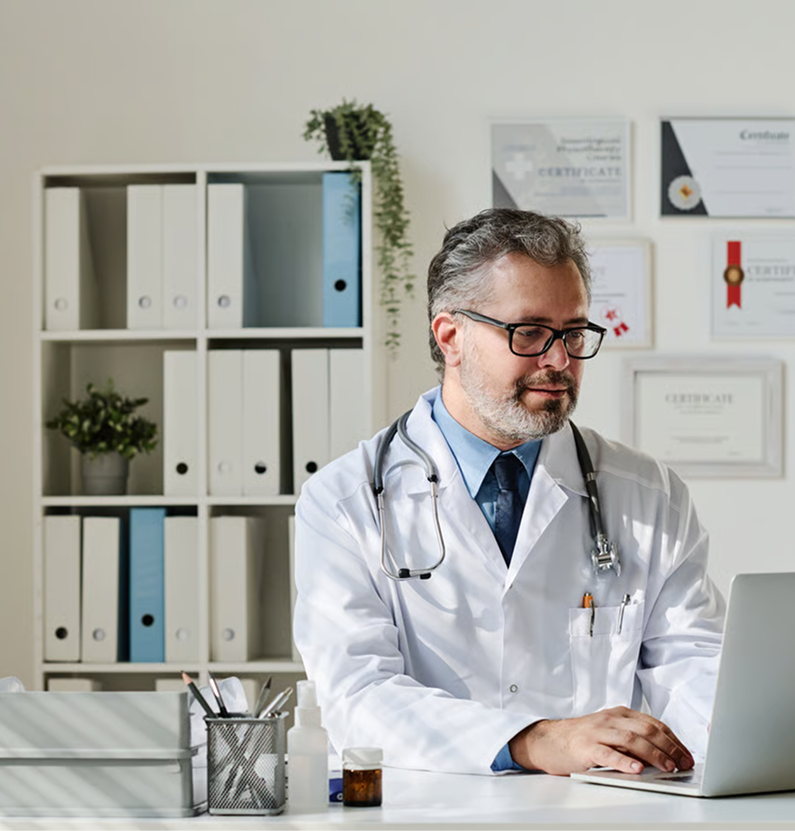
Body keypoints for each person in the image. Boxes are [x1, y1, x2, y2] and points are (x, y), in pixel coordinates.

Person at [294, 208, 724, 777]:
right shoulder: (345, 501)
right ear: (451, 337)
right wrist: (532, 740)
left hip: (595, 813)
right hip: (428, 813)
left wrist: (744, 736)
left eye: (573, 333)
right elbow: (357, 695)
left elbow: (694, 664)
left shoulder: (648, 494)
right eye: (530, 333)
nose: (560, 361)